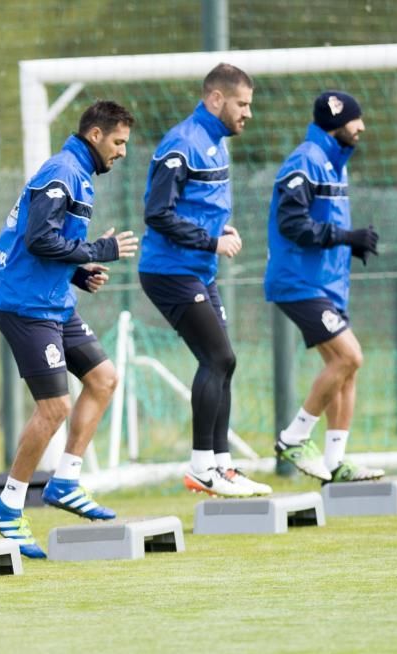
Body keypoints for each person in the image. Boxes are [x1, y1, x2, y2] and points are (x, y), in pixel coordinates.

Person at [0, 100, 138, 559]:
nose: (122, 151)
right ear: (95, 134)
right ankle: (9, 505)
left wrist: (76, 272)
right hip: (26, 305)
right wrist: (99, 248)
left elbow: (45, 245)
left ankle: (66, 481)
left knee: (104, 377)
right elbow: (37, 237)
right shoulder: (63, 171)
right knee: (54, 408)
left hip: (54, 301)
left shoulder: (78, 172)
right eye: (118, 142)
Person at [138, 63, 271, 498]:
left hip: (197, 270)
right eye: (242, 104)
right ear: (216, 99)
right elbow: (158, 212)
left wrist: (222, 229)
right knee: (217, 358)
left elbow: (201, 204)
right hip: (169, 271)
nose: (248, 113)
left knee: (224, 361)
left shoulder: (216, 142)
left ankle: (222, 467)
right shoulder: (183, 143)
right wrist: (211, 241)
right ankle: (201, 467)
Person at [266, 91, 384, 483]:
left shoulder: (336, 165)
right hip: (298, 284)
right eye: (355, 119)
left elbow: (321, 225)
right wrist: (346, 237)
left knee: (345, 370)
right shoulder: (306, 161)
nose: (361, 126)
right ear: (337, 122)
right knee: (349, 358)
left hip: (326, 285)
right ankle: (294, 437)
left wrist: (347, 248)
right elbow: (292, 223)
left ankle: (335, 463)